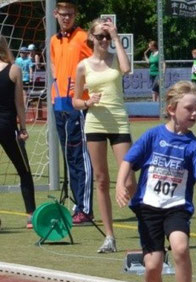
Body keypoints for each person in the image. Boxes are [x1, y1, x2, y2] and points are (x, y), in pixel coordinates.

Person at [115, 81, 196, 282]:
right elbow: (129, 160)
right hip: (149, 207)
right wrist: (120, 184)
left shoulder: (193, 146)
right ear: (172, 109)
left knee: (181, 248)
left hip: (176, 207)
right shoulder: (153, 136)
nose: (194, 114)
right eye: (189, 109)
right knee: (153, 266)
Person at [72, 19, 135, 253]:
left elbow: (127, 69)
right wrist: (88, 102)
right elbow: (76, 100)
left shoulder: (116, 58)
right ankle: (110, 236)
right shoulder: (83, 66)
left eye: (107, 36)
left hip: (118, 121)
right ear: (91, 37)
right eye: (100, 36)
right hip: (95, 122)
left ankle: (149, 223)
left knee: (128, 178)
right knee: (101, 180)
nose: (104, 40)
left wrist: (117, 37)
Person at [50, 0, 94, 225]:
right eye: (62, 14)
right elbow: (55, 68)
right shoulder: (54, 41)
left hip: (78, 104)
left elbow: (95, 66)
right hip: (59, 103)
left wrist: (84, 91)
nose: (66, 18)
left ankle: (85, 208)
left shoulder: (84, 38)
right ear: (56, 14)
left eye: (70, 14)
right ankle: (77, 204)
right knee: (68, 155)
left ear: (75, 15)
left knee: (80, 156)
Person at [0, 35, 36, 228]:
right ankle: (31, 214)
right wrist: (23, 128)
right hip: (6, 126)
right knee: (24, 170)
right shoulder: (14, 69)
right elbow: (19, 103)